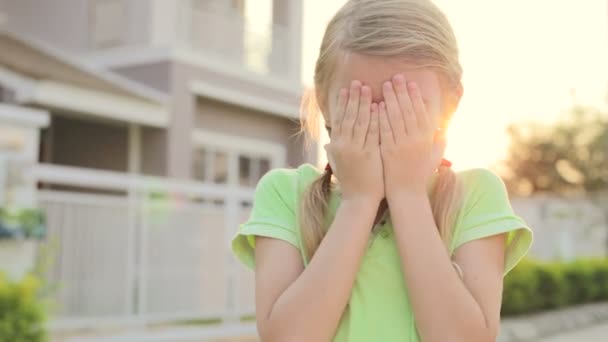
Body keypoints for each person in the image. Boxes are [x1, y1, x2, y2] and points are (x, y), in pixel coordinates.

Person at [232, 0, 533, 340]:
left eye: (405, 109)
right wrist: (359, 201)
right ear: (325, 103)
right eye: (361, 106)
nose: (385, 126)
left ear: (451, 103)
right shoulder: (285, 194)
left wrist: (408, 194)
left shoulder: (476, 194)